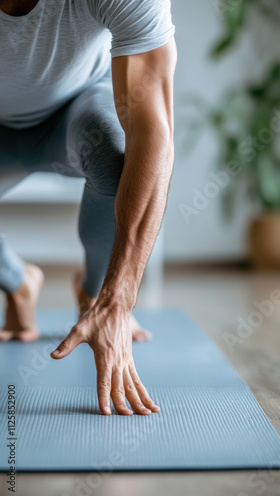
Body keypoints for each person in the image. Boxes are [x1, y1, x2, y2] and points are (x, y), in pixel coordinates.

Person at [0, 0, 177, 415]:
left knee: (117, 158)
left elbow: (152, 128)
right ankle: (18, 280)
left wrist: (119, 300)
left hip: (79, 112)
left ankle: (95, 292)